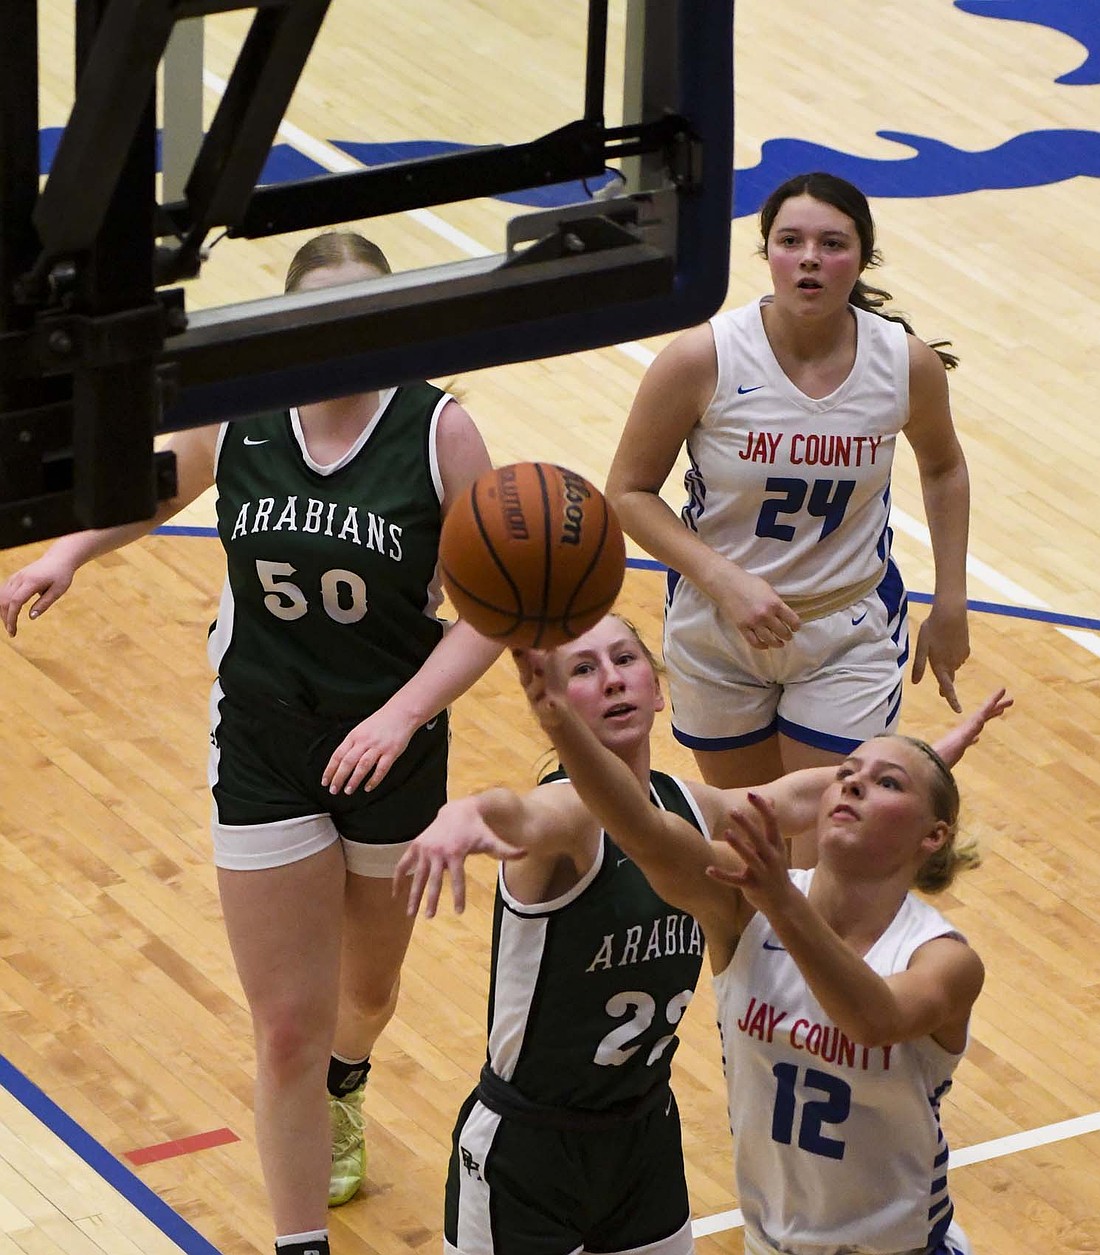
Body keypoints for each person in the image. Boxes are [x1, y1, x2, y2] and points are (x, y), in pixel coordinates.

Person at [0, 232, 502, 1255]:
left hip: (389, 745)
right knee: (283, 1026)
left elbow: (496, 607)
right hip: (266, 739)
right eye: (323, 312)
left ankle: (348, 1082)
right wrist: (66, 554)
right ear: (291, 320)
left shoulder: (439, 430)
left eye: (364, 310)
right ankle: (297, 1241)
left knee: (365, 993)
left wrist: (403, 712)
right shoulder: (242, 409)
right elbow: (152, 487)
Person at [396, 613, 1007, 1255]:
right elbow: (544, 814)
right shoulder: (576, 816)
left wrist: (932, 762)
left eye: (625, 661)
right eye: (583, 669)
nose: (610, 681)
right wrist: (466, 809)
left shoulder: (703, 814)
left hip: (643, 1131)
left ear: (661, 690)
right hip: (533, 1139)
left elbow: (815, 793)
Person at [605, 171, 971, 797]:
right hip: (718, 626)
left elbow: (944, 467)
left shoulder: (904, 364)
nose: (809, 260)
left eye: (832, 244)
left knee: (824, 840)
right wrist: (724, 580)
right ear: (766, 251)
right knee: (752, 835)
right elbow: (627, 493)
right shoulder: (703, 358)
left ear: (862, 256)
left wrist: (952, 601)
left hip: (845, 630)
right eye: (790, 241)